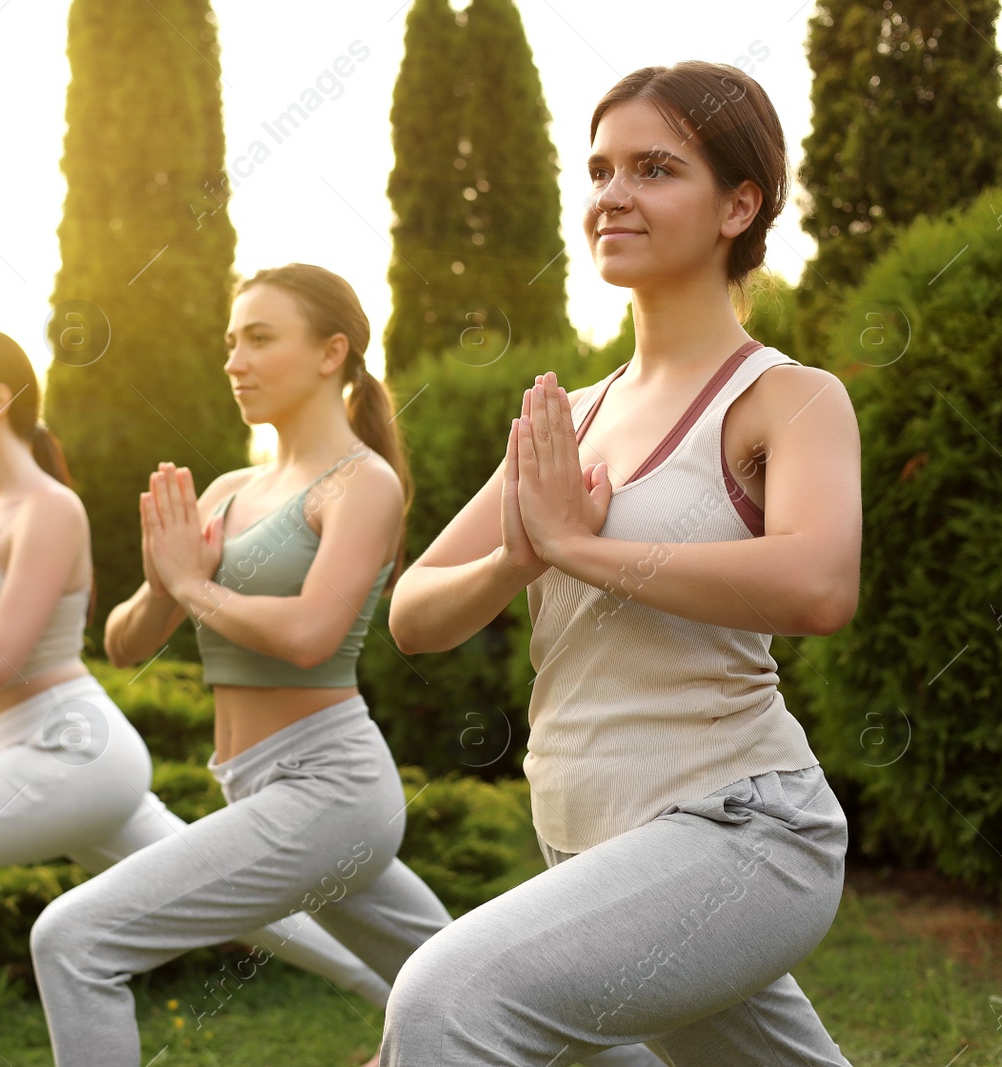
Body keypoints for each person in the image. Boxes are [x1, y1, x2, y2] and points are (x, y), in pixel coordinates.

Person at [378, 61, 861, 1065]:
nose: (612, 195)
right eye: (598, 170)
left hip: (742, 832)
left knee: (444, 998)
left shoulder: (786, 398)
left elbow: (816, 584)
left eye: (652, 168)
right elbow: (414, 612)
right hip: (591, 840)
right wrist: (518, 554)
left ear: (739, 203)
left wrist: (582, 548)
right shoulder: (572, 416)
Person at [0, 328, 392, 1066]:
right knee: (261, 913)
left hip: (70, 749)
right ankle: (406, 994)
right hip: (36, 751)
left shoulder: (50, 508)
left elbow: (2, 655)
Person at [28, 265, 455, 1067]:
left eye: (260, 338)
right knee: (463, 979)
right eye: (231, 342)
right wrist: (163, 584)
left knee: (74, 939)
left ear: (333, 352)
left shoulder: (364, 484)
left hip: (330, 787)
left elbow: (311, 636)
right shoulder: (228, 489)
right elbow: (124, 643)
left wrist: (193, 585)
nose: (235, 360)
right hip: (259, 783)